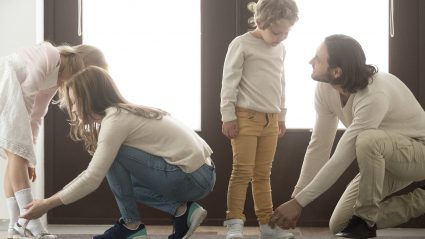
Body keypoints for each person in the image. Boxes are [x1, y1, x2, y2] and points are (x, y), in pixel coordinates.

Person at [21, 66, 216, 239]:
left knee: (112, 157)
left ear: (89, 99)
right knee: (123, 180)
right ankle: (182, 211)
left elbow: (91, 178)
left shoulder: (116, 121)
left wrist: (46, 204)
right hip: (202, 173)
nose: (72, 109)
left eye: (73, 102)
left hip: (193, 178)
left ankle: (131, 226)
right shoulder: (122, 113)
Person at [270, 34, 425, 238]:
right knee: (341, 225)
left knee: (367, 140)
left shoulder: (374, 95)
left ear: (336, 71)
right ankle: (406, 206)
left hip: (418, 153)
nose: (310, 61)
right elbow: (319, 147)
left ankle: (365, 221)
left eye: (318, 58)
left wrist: (299, 203)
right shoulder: (325, 89)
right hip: (384, 156)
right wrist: (297, 198)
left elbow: (342, 156)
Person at [0, 42, 108, 239]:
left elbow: (37, 115)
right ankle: (31, 224)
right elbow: (28, 92)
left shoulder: (55, 82)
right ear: (81, 67)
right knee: (17, 154)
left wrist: (29, 155)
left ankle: (16, 227)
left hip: (14, 95)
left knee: (16, 156)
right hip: (5, 83)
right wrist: (25, 152)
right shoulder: (50, 54)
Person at [220, 0, 298, 238]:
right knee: (242, 171)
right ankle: (234, 222)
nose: (282, 37)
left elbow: (281, 83)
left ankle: (267, 224)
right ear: (260, 22)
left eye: (287, 32)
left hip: (271, 119)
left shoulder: (280, 48)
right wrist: (228, 115)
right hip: (245, 118)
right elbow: (229, 81)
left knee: (263, 174)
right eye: (277, 32)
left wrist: (282, 116)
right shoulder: (241, 44)